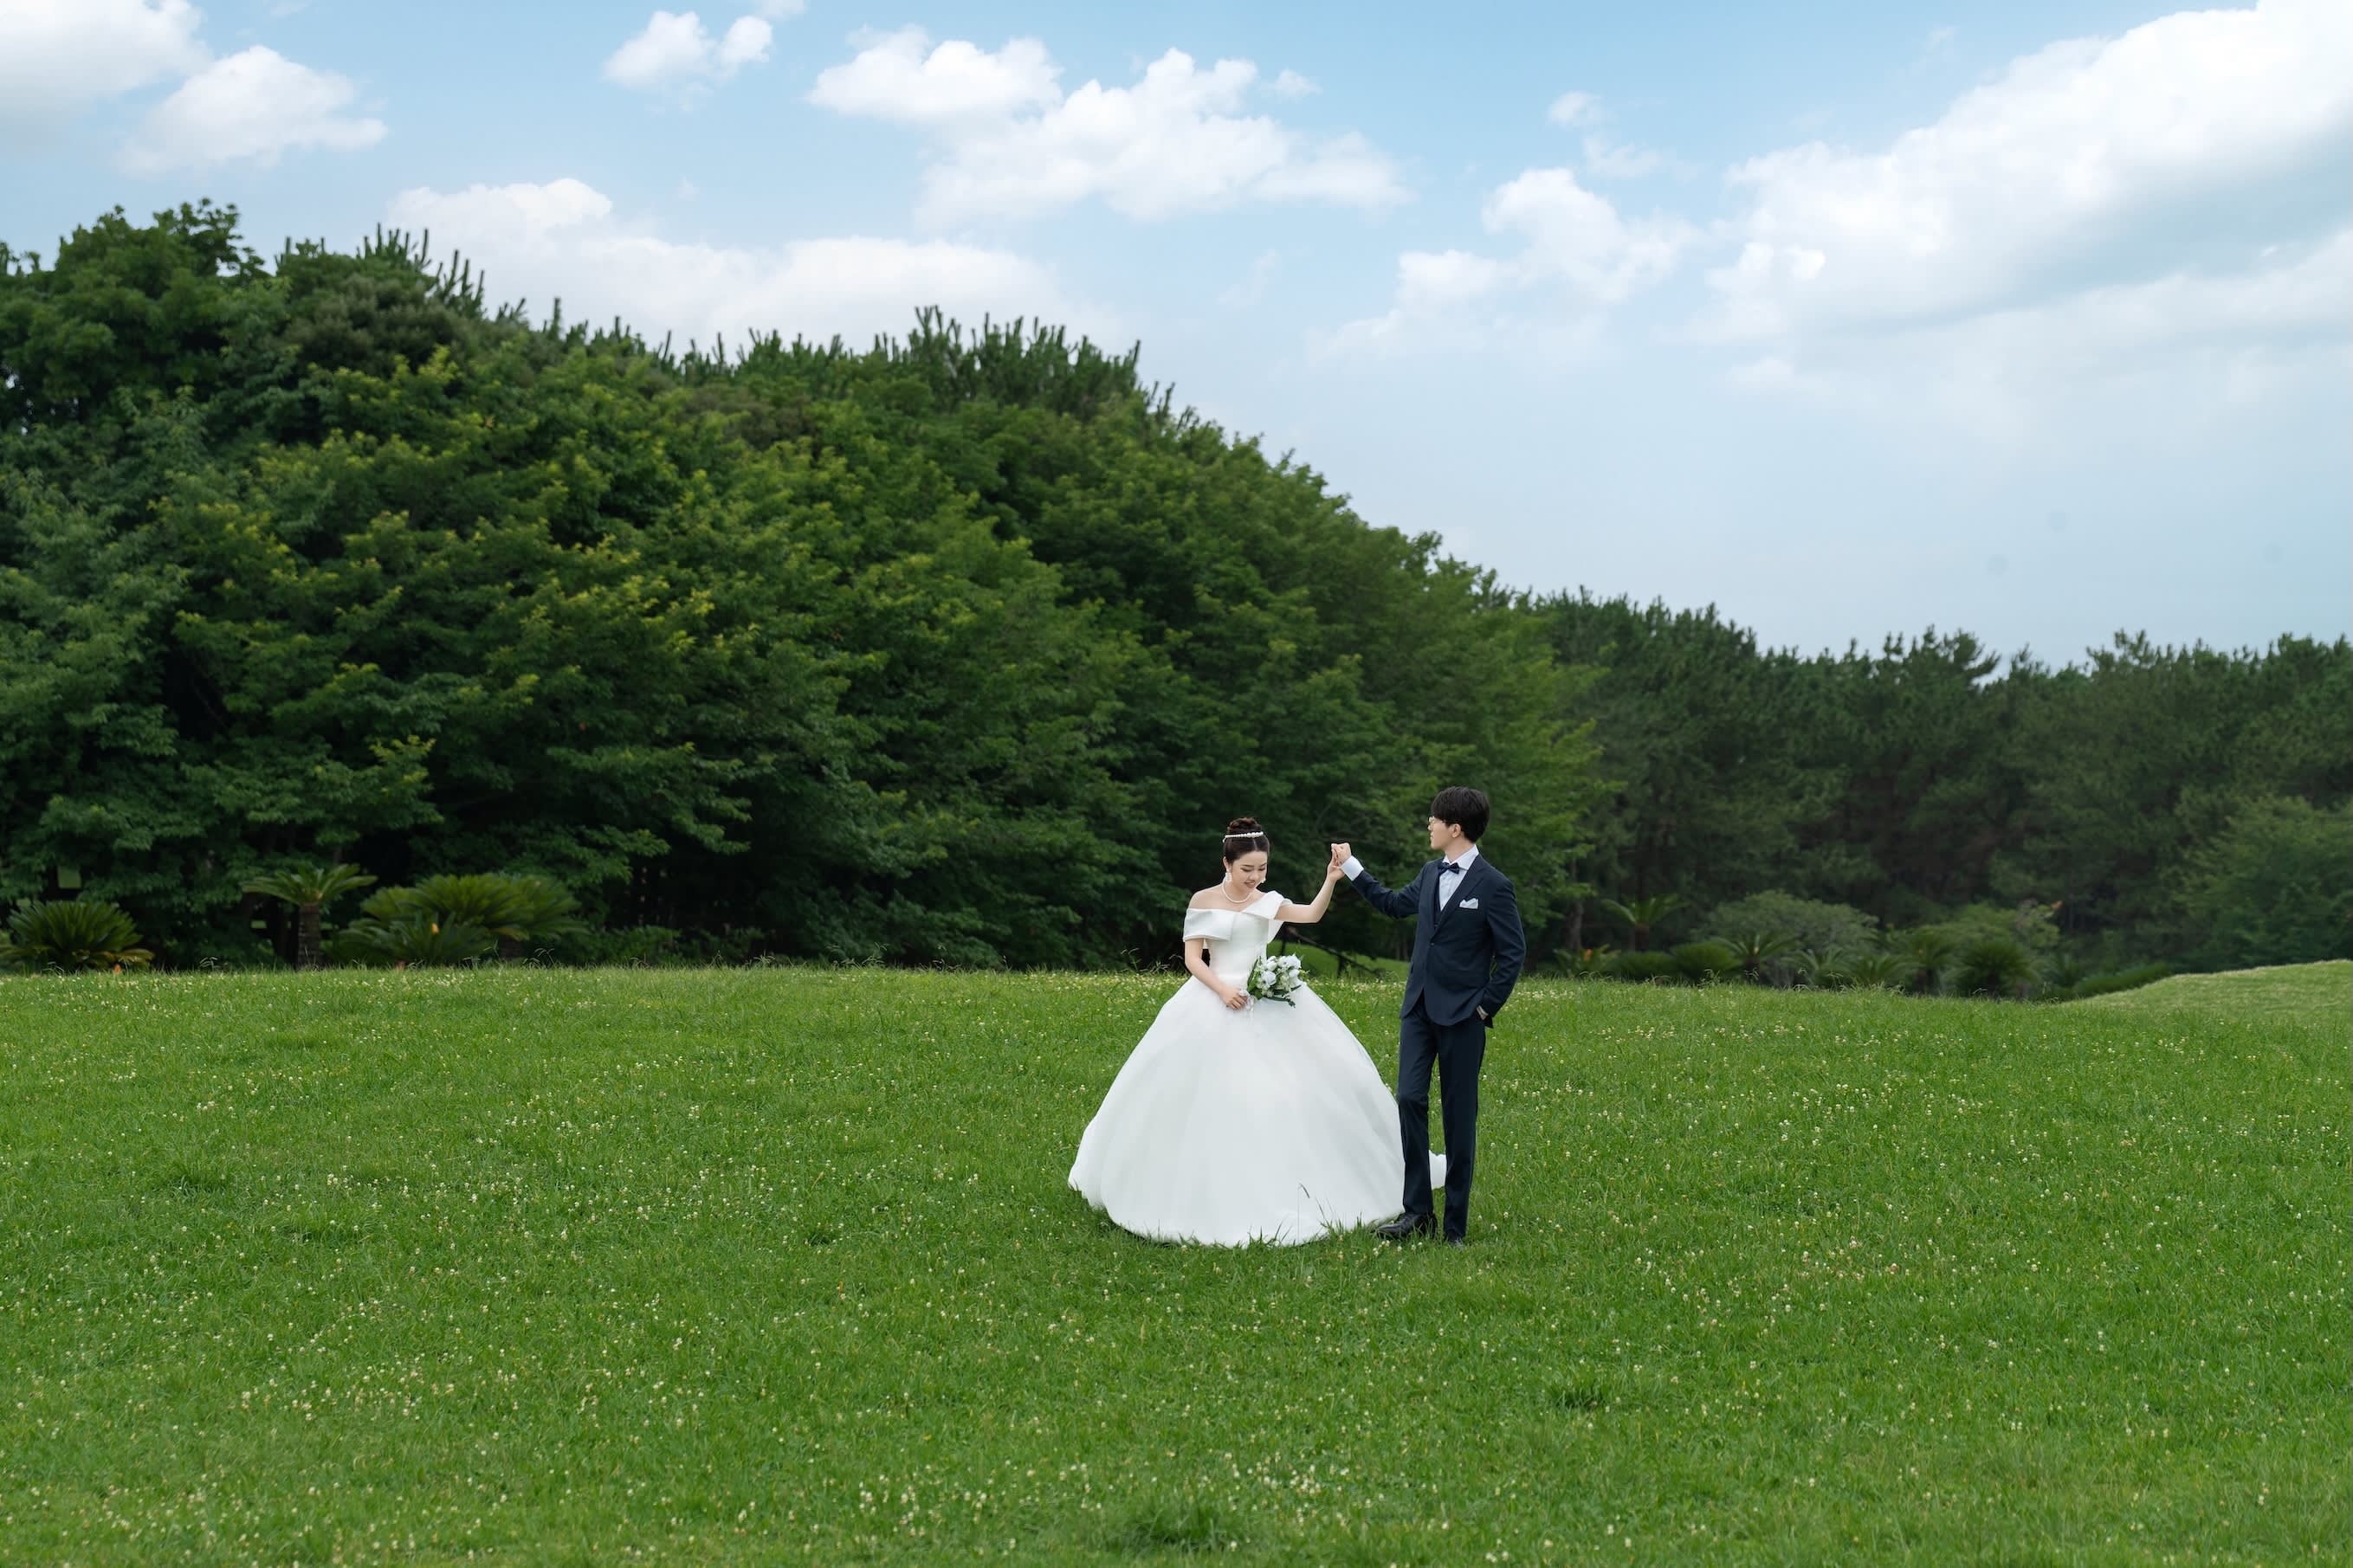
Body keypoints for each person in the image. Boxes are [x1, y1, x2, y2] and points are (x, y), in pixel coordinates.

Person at [1068, 816, 1442, 1246]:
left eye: (1262, 869)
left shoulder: (1267, 902)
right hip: (1214, 995)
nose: (1256, 877)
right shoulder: (1203, 900)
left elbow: (1310, 914)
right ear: (1227, 863)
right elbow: (1192, 959)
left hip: (1265, 998)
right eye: (1247, 869)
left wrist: (1331, 880)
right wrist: (1222, 990)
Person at [1331, 785, 1525, 1245]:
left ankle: (1454, 1226)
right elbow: (1393, 904)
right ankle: (1417, 1212)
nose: (1429, 825)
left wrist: (1484, 1007)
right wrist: (1352, 867)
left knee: (1459, 1117)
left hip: (1463, 1018)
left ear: (1455, 828)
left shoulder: (1494, 886)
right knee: (1408, 1099)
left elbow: (1513, 954)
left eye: (1435, 819)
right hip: (1418, 1010)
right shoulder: (1429, 872)